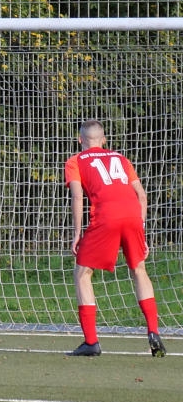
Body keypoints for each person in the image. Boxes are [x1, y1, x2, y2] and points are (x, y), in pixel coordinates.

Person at [64, 119, 165, 358]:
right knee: (139, 269)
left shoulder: (75, 160)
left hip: (106, 216)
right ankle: (154, 332)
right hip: (133, 215)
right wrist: (141, 229)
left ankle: (91, 342)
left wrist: (77, 234)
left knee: (82, 273)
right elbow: (141, 195)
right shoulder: (121, 158)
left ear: (80, 140)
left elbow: (77, 197)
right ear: (104, 140)